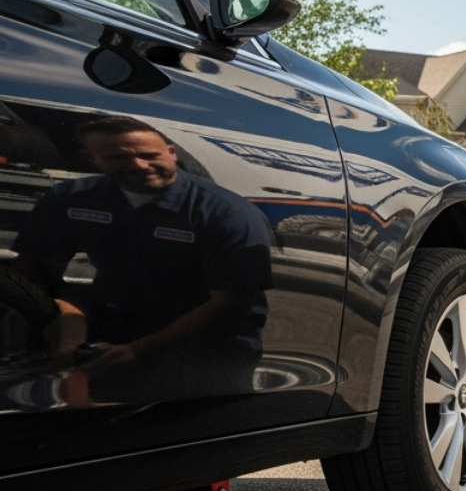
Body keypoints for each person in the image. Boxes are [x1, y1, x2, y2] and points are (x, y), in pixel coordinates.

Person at [10, 115, 272, 405]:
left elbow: (230, 305)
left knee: (193, 422)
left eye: (150, 155)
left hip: (205, 341)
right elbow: (33, 269)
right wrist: (68, 314)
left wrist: (138, 350)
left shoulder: (225, 213)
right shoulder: (71, 199)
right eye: (117, 157)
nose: (138, 165)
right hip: (115, 329)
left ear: (171, 152)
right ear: (92, 158)